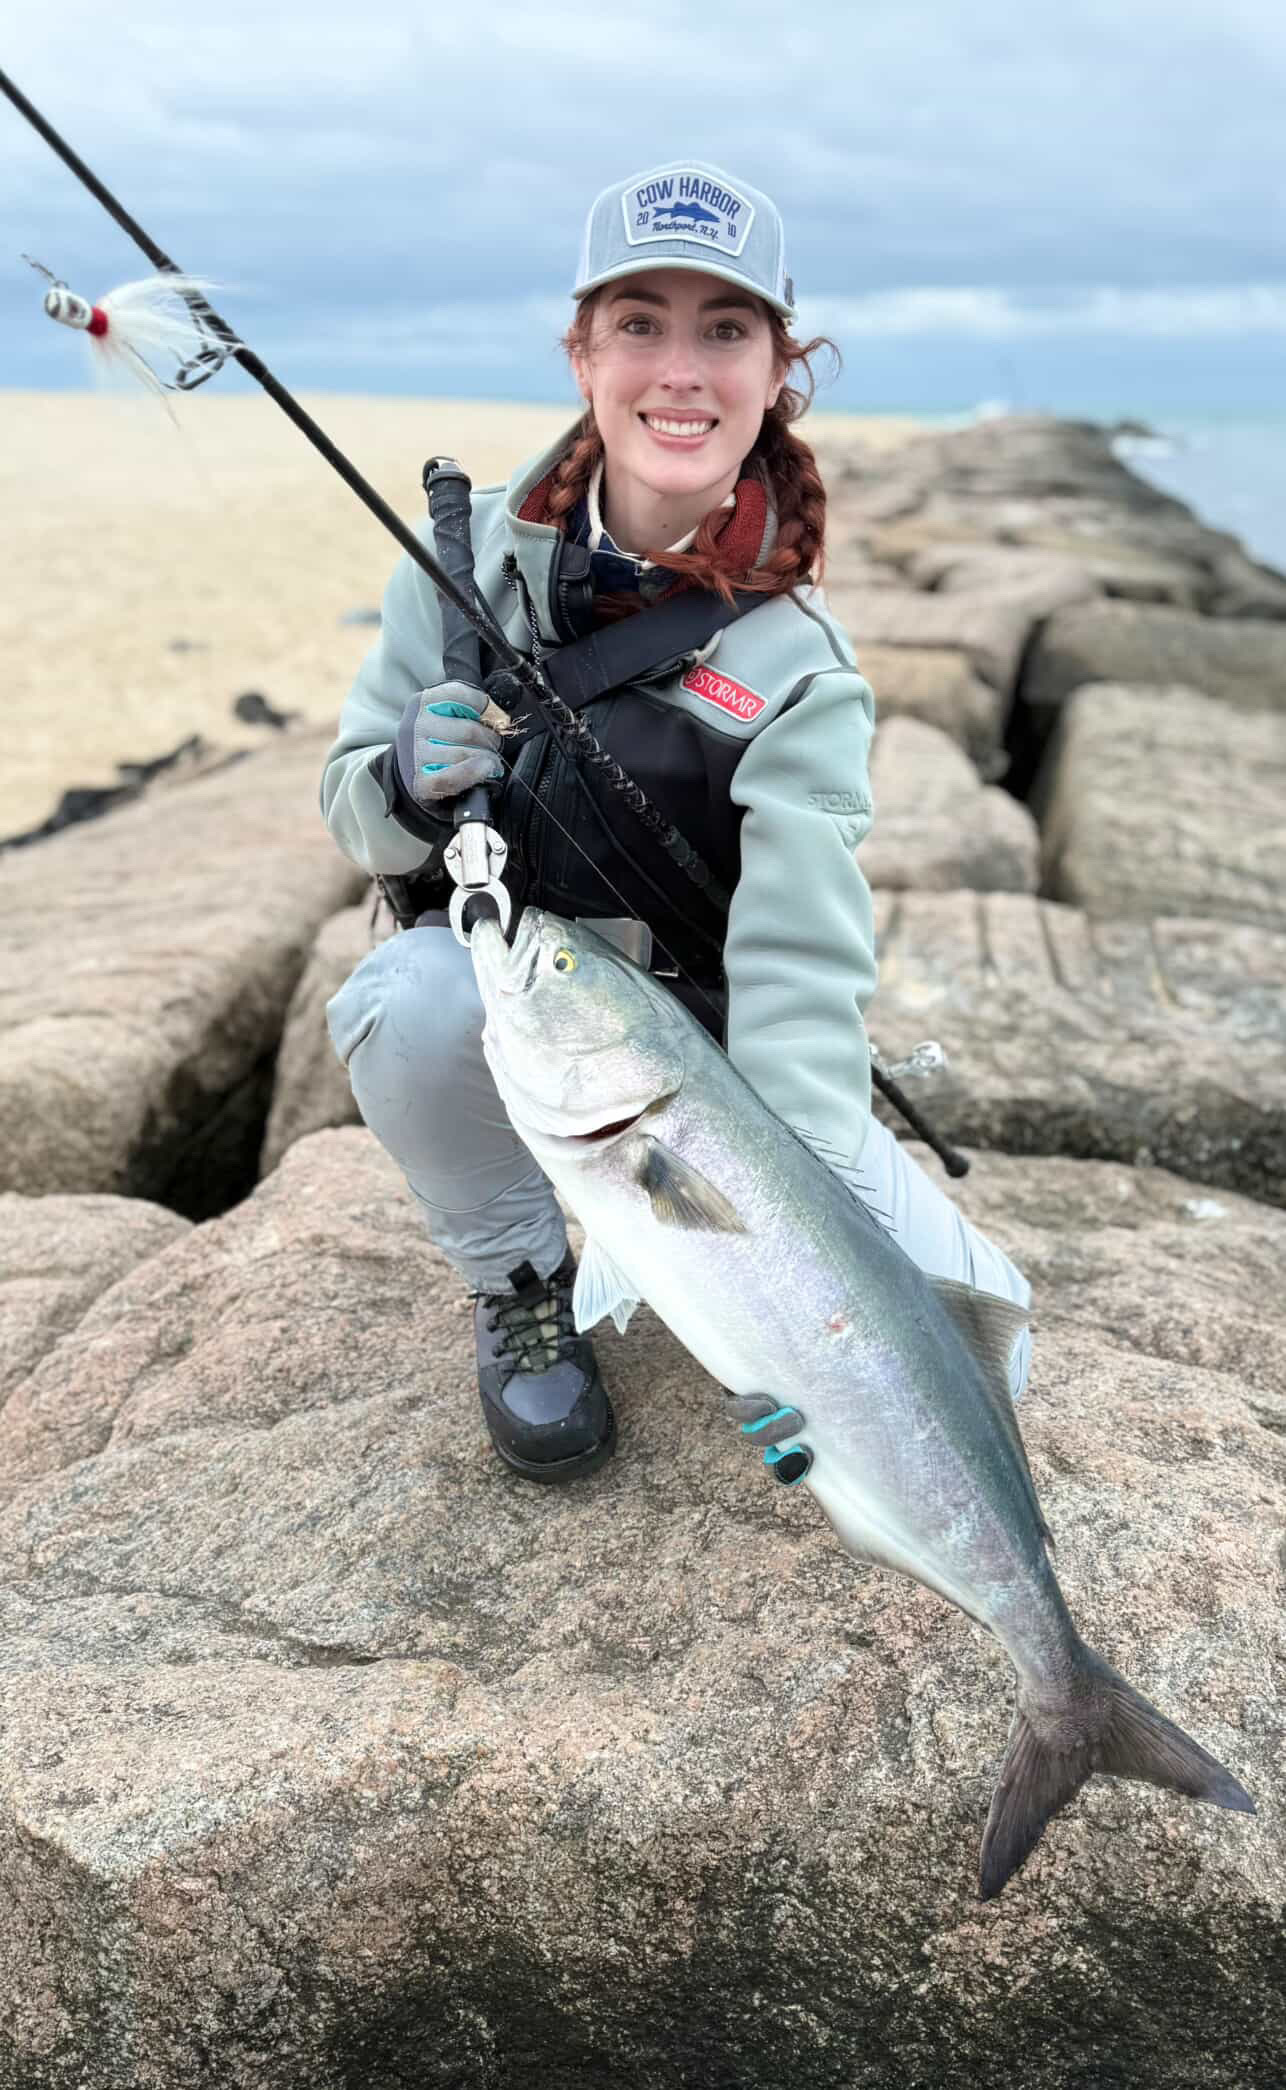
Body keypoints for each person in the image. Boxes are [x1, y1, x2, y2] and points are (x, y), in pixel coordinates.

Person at [321, 158, 1032, 1485]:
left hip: (721, 1054)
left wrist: (812, 1295)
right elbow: (353, 815)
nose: (680, 370)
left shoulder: (798, 662)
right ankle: (524, 1284)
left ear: (779, 370)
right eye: (638, 323)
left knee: (993, 1346)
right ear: (582, 354)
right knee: (402, 996)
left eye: (725, 329)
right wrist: (405, 782)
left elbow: (800, 977)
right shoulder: (452, 570)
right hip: (526, 1007)